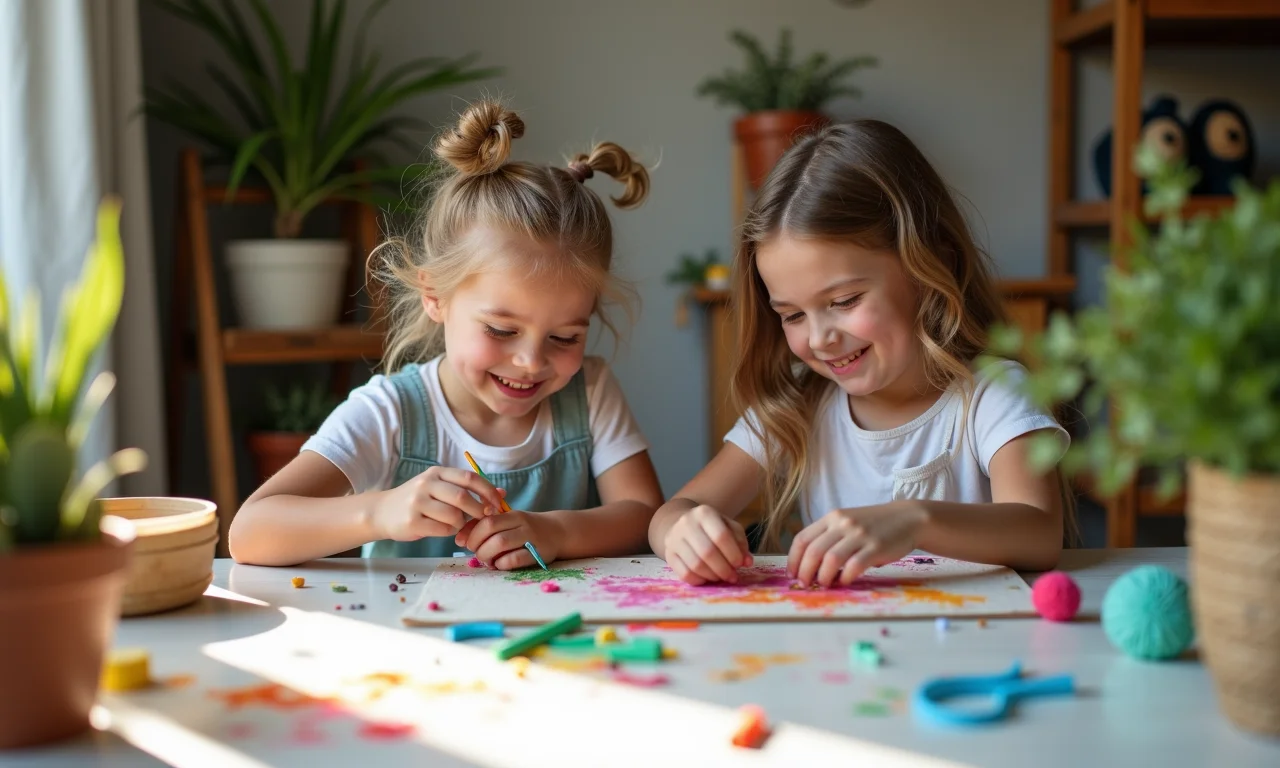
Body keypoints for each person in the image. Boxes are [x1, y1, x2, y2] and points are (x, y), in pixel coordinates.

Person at [230, 101, 663, 568]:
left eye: (564, 338)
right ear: (434, 295)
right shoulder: (390, 412)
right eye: (501, 329)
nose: (530, 361)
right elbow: (250, 531)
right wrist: (380, 511)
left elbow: (643, 517)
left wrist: (555, 531)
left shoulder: (591, 392)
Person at [649, 120, 1071, 587]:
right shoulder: (796, 409)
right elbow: (669, 514)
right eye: (791, 315)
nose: (819, 338)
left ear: (931, 265)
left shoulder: (992, 393)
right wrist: (684, 532)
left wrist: (914, 521)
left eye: (844, 302)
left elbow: (1039, 532)